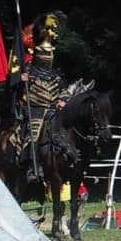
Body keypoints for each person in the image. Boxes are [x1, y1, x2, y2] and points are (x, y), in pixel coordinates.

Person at [17, 11, 72, 183]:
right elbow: (22, 92)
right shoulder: (29, 74)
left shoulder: (56, 76)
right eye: (43, 54)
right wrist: (22, 80)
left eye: (49, 55)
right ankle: (33, 166)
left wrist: (63, 100)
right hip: (36, 108)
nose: (46, 57)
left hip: (54, 107)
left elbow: (63, 89)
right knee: (34, 132)